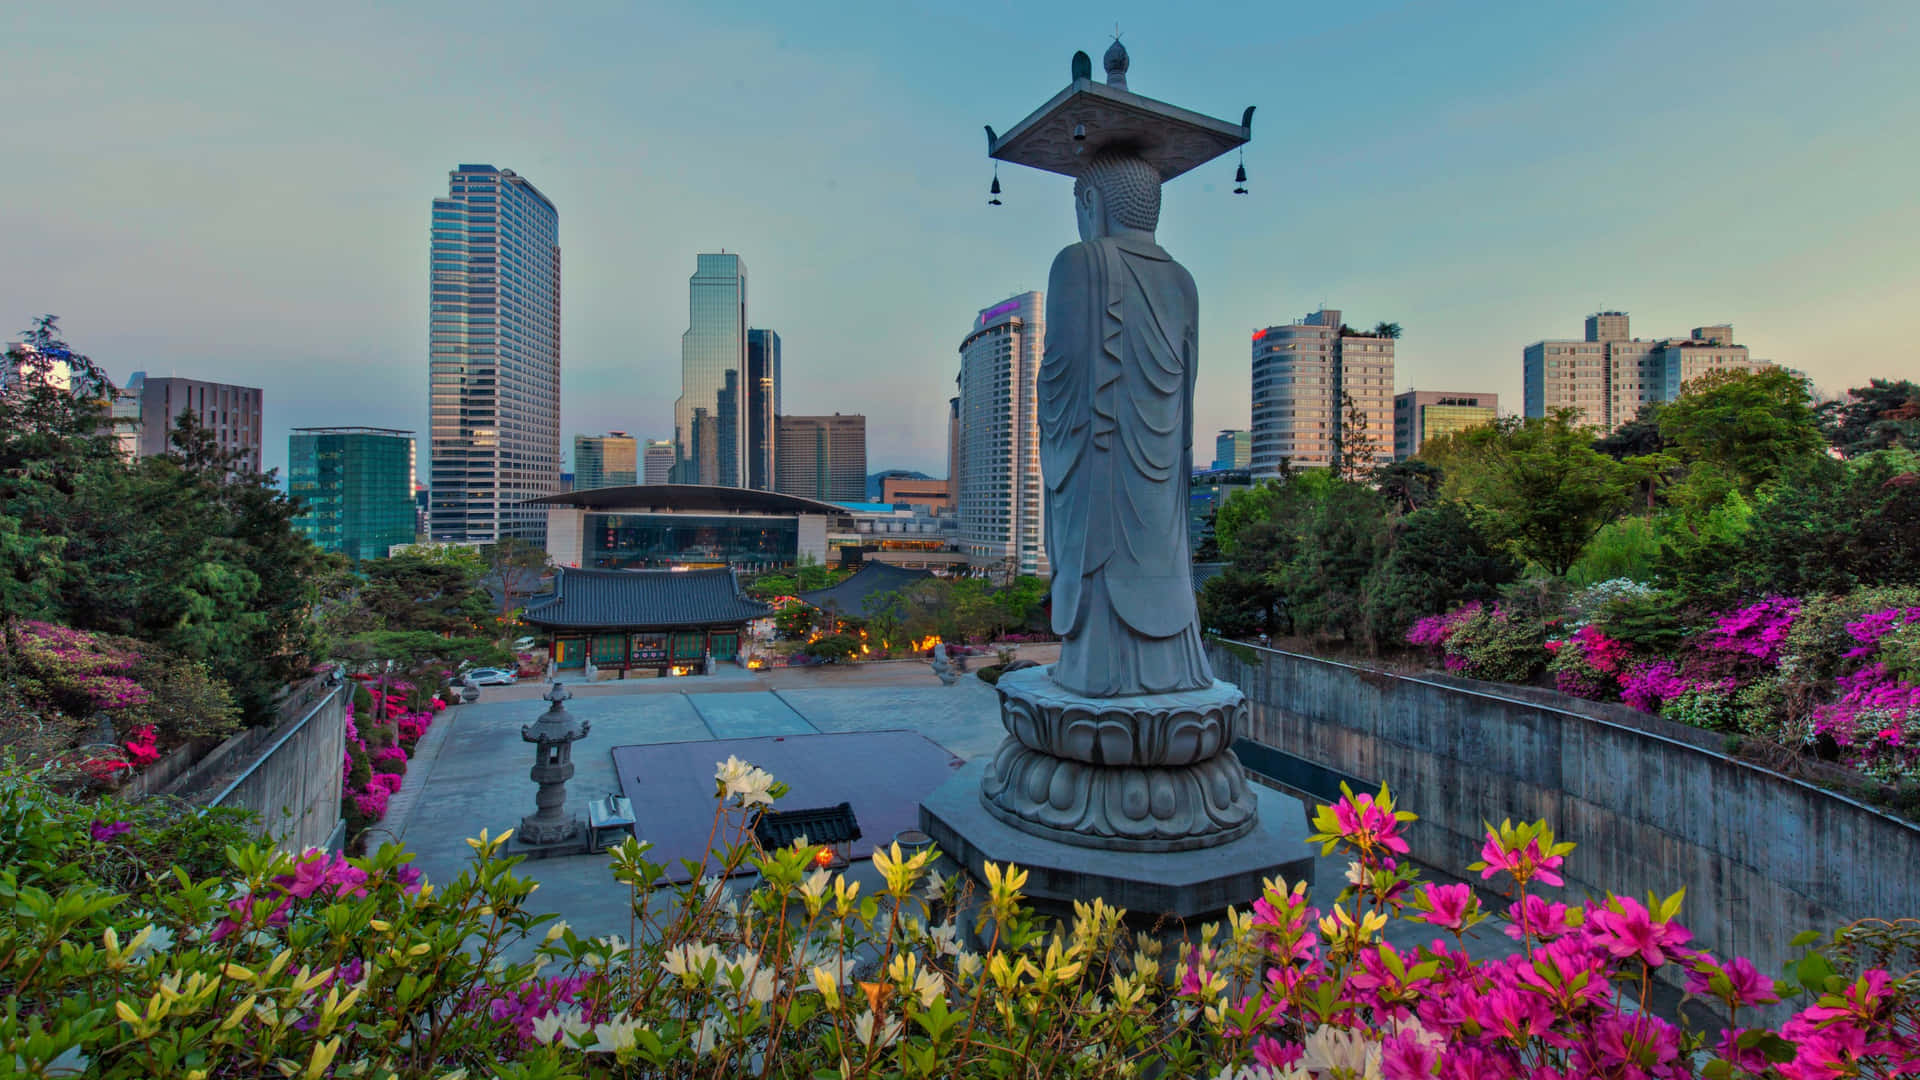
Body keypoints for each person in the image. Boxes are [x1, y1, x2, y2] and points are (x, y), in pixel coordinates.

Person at [1040, 149, 1213, 698]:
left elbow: (1060, 376)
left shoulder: (1079, 262)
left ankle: (1097, 670)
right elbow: (1184, 400)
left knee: (1099, 553)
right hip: (1163, 478)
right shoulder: (1184, 281)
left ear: (1092, 203)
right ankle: (1173, 671)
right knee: (1161, 550)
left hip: (1101, 473)